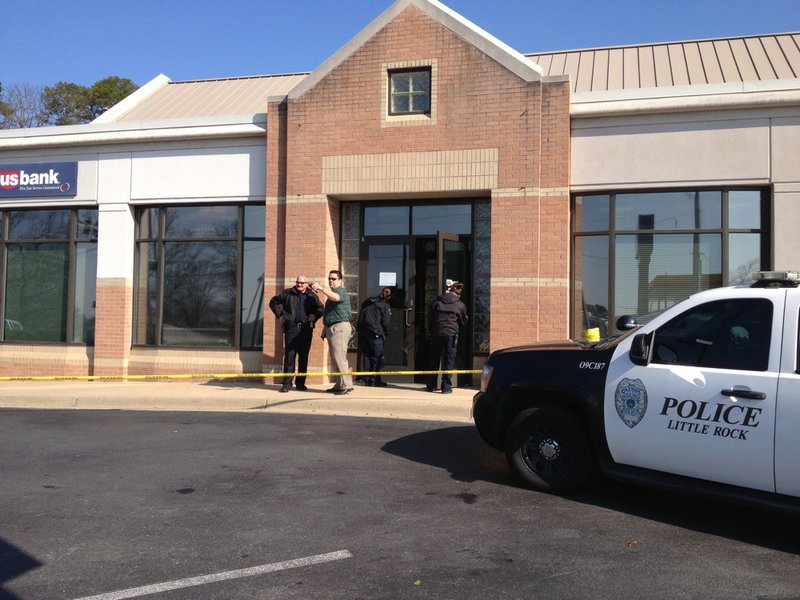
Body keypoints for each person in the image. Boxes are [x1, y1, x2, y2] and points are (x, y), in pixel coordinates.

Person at [269, 274, 324, 393]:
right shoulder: (288, 293)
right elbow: (273, 302)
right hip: (291, 330)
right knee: (290, 357)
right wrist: (280, 316)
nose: (300, 285)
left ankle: (300, 383)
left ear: (306, 284)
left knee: (303, 357)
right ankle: (287, 384)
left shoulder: (311, 295)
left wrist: (315, 315)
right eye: (298, 282)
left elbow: (320, 308)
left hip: (306, 330)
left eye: (302, 283)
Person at [311, 270, 354, 395]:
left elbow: (336, 298)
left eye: (334, 279)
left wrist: (321, 288)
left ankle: (346, 385)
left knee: (340, 357)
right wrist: (325, 328)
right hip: (332, 328)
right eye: (329, 278)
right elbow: (330, 313)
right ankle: (339, 384)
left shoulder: (341, 292)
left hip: (340, 327)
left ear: (340, 280)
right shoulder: (331, 296)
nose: (331, 281)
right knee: (335, 358)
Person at [427, 281, 468, 394]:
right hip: (451, 334)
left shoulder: (437, 303)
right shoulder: (459, 305)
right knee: (449, 360)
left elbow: (431, 319)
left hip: (437, 333)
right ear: (458, 293)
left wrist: (431, 330)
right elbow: (464, 320)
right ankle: (446, 387)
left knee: (434, 359)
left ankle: (430, 385)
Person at [357, 287, 392, 387]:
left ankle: (367, 379)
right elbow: (386, 322)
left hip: (364, 332)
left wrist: (359, 329)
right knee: (376, 357)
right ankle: (375, 380)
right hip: (375, 333)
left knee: (367, 355)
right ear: (389, 297)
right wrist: (385, 332)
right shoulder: (384, 305)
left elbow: (361, 316)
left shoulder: (368, 301)